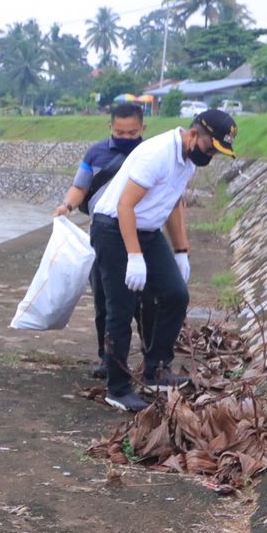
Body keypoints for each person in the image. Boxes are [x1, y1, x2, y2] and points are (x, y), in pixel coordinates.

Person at [90, 108, 237, 412]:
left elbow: (173, 205)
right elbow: (125, 205)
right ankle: (117, 389)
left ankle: (156, 368)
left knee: (175, 294)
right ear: (194, 134)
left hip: (148, 229)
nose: (211, 155)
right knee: (122, 307)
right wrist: (133, 256)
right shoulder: (157, 154)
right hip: (114, 228)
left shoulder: (188, 161)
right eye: (210, 147)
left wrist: (181, 251)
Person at [53, 102, 154, 378]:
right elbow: (80, 186)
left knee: (146, 301)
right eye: (119, 132)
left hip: (142, 236)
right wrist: (67, 206)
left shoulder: (151, 154)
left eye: (131, 133)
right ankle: (106, 357)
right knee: (105, 300)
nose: (125, 138)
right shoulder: (95, 153)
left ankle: (152, 358)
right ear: (110, 127)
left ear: (142, 129)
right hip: (103, 237)